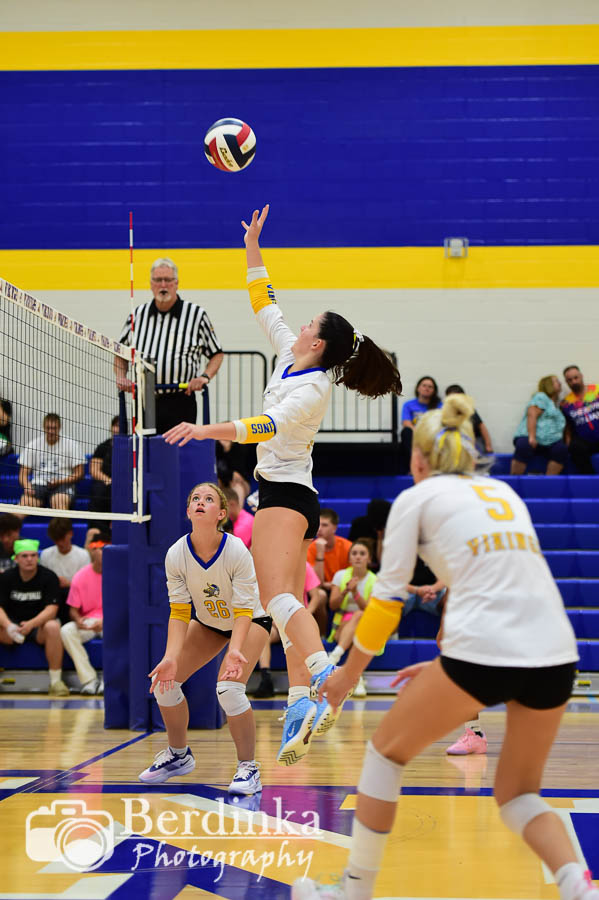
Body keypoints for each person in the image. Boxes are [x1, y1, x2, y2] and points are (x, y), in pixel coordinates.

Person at [295, 394, 591, 900]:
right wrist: (443, 663)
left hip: (485, 651)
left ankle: (352, 891)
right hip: (556, 654)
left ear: (418, 458)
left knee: (384, 755)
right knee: (519, 794)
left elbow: (386, 604)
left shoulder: (418, 499)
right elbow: (499, 581)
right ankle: (580, 889)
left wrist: (346, 676)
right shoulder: (503, 492)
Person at [164, 204, 402, 767]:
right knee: (285, 603)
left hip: (286, 495)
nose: (301, 326)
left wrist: (204, 428)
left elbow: (263, 427)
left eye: (310, 324)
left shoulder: (313, 388)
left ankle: (324, 673)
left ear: (319, 343)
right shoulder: (288, 355)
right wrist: (252, 246)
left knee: (274, 599)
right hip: (288, 493)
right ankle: (300, 704)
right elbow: (263, 300)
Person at [139, 483, 271, 794]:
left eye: (209, 499)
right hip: (210, 622)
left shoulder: (236, 550)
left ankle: (249, 768)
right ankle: (178, 755)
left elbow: (243, 609)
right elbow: (179, 611)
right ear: (188, 511)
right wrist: (170, 657)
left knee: (229, 689)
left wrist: (235, 650)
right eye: (195, 498)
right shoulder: (176, 554)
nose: (200, 502)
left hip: (250, 619)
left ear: (221, 514)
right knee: (164, 683)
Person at [115, 257, 224, 434]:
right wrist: (121, 377)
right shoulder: (137, 315)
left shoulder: (196, 315)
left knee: (179, 448)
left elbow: (216, 353)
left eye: (168, 280)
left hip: (180, 399)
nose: (163, 285)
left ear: (176, 283)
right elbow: (121, 352)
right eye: (158, 280)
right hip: (146, 399)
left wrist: (204, 377)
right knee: (145, 448)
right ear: (151, 284)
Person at [0, 539, 68, 696]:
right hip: (11, 627)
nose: (29, 559)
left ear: (38, 557)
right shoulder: (6, 578)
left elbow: (52, 609)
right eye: (24, 556)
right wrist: (9, 626)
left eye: (33, 555)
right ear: (16, 559)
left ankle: (56, 682)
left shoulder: (49, 577)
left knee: (53, 626)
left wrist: (31, 624)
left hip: (38, 626)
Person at [252, 561, 322, 699]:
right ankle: (266, 679)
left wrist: (306, 615)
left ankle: (315, 679)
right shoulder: (267, 568)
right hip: (275, 622)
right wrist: (276, 621)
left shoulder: (304, 566)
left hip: (297, 619)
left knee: (305, 631)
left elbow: (316, 596)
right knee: (263, 634)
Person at [327, 540, 378, 698]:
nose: (358, 557)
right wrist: (345, 592)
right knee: (357, 629)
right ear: (349, 558)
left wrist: (355, 593)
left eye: (362, 554)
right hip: (341, 627)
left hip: (366, 625)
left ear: (369, 559)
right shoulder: (340, 575)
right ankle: (358, 680)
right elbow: (333, 605)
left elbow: (369, 610)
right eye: (354, 553)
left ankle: (334, 656)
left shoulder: (375, 580)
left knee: (360, 615)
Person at [60, 533, 107, 695]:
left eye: (105, 548)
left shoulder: (118, 574)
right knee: (66, 630)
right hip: (89, 621)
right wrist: (78, 620)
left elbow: (125, 608)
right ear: (91, 551)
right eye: (98, 548)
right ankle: (89, 680)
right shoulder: (80, 576)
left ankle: (108, 680)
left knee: (121, 630)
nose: (101, 552)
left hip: (110, 620)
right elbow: (73, 609)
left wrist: (105, 621)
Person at [18, 413, 85, 514]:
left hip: (63, 483)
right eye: (48, 428)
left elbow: (80, 474)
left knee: (59, 502)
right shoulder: (33, 445)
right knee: (23, 504)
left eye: (54, 428)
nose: (51, 431)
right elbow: (23, 474)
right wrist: (27, 486)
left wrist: (60, 481)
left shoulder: (72, 445)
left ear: (59, 427)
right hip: (39, 484)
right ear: (44, 427)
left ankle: (62, 524)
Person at [511, 375, 567, 475]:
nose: (560, 383)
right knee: (524, 445)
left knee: (561, 449)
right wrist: (532, 437)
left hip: (550, 442)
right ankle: (514, 480)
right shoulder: (541, 397)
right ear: (548, 385)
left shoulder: (555, 405)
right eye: (556, 381)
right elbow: (532, 414)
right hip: (533, 438)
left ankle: (548, 481)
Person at [40, 518, 90, 623]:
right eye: (56, 539)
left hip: (75, 601)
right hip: (53, 599)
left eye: (62, 539)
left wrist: (70, 584)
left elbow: (87, 586)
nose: (60, 543)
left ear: (70, 534)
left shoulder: (83, 555)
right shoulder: (46, 554)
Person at [561, 366, 599, 474]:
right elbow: (568, 428)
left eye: (576, 378)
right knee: (575, 447)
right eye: (570, 380)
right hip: (585, 442)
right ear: (566, 382)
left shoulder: (597, 390)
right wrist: (567, 443)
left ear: (581, 376)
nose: (574, 382)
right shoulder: (565, 403)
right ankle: (591, 479)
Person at [86, 414, 119, 536]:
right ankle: (97, 529)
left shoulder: (132, 446)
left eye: (120, 426)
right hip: (106, 482)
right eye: (115, 426)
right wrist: (107, 480)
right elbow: (94, 470)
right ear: (111, 428)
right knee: (99, 489)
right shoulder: (103, 447)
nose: (117, 429)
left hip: (124, 483)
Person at [307, 508, 352, 595]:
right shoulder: (310, 548)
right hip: (322, 589)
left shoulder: (348, 546)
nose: (319, 529)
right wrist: (320, 553)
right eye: (318, 524)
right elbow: (317, 584)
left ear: (334, 528)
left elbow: (353, 576)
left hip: (343, 587)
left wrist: (335, 585)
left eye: (324, 525)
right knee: (320, 594)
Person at [445, 383, 493, 454]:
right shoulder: (446, 413)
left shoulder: (469, 410)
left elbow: (482, 427)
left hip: (474, 439)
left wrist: (488, 446)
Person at [348, 499, 391, 572]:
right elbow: (351, 547)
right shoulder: (359, 524)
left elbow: (383, 560)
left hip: (385, 567)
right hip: (361, 566)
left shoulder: (390, 527)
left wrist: (380, 538)